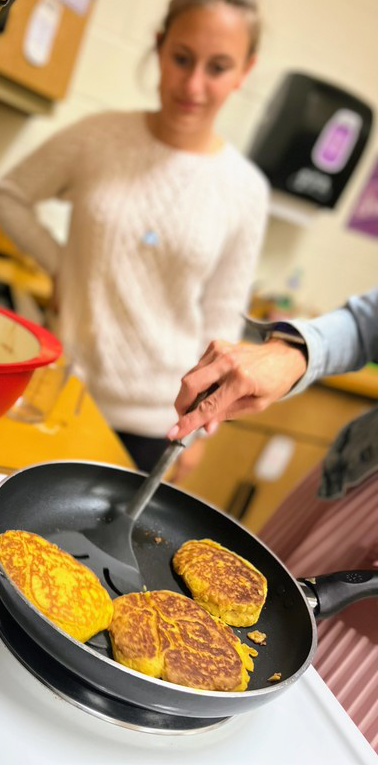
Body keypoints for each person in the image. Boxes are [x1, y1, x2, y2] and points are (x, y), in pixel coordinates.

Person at [0, 0, 269, 478]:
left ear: (244, 72)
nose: (193, 84)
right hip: (62, 396)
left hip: (157, 423)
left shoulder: (246, 189)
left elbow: (221, 317)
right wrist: (64, 266)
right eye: (182, 58)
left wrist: (204, 423)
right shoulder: (98, 138)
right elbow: (9, 197)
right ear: (160, 46)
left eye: (218, 67)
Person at [170, 286, 378, 751]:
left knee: (311, 730)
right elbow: (372, 321)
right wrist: (294, 352)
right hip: (360, 479)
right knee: (260, 626)